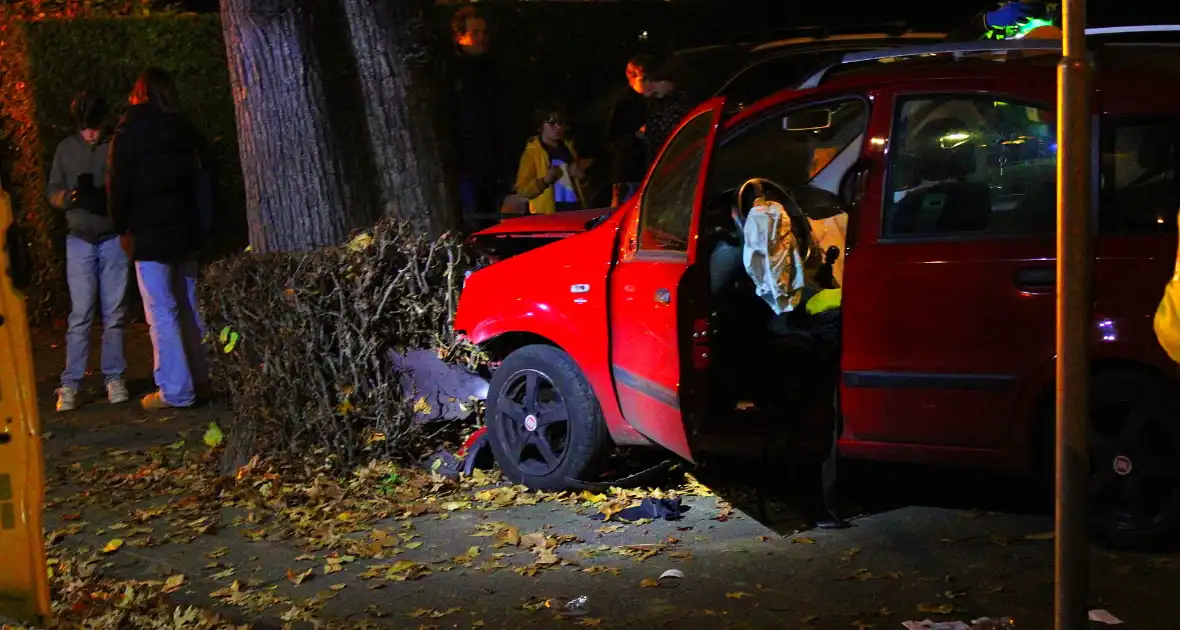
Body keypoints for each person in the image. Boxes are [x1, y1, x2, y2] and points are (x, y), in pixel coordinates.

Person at [107, 68, 210, 410]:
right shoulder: (186, 129)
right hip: (186, 231)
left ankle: (176, 390)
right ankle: (201, 378)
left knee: (162, 311)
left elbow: (118, 187)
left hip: (149, 234)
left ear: (139, 93)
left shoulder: (128, 131)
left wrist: (121, 226)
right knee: (190, 306)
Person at [48, 90, 129, 412]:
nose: (90, 134)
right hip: (80, 238)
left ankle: (114, 376)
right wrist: (69, 197)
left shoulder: (115, 147)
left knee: (115, 313)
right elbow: (51, 190)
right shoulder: (66, 150)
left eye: (94, 127)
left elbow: (125, 187)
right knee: (80, 314)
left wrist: (104, 198)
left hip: (111, 238)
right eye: (85, 128)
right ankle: (70, 383)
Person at [447, 6, 506, 230]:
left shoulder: (491, 69)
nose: (482, 38)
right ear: (459, 37)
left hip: (492, 163)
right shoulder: (453, 74)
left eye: (484, 32)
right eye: (475, 33)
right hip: (470, 165)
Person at [512, 103, 591, 215]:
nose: (558, 127)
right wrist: (544, 181)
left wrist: (582, 178)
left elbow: (585, 190)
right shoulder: (533, 153)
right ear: (540, 126)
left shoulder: (569, 148)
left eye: (561, 123)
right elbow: (522, 190)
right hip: (549, 217)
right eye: (552, 123)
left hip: (575, 211)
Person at [634, 55, 698, 169]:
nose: (652, 86)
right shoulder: (660, 103)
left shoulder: (678, 106)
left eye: (655, 81)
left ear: (669, 78)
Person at [603, 55, 652, 205]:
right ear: (632, 81)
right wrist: (636, 136)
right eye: (644, 79)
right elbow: (610, 141)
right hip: (630, 176)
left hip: (653, 174)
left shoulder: (657, 103)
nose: (649, 84)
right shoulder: (624, 106)